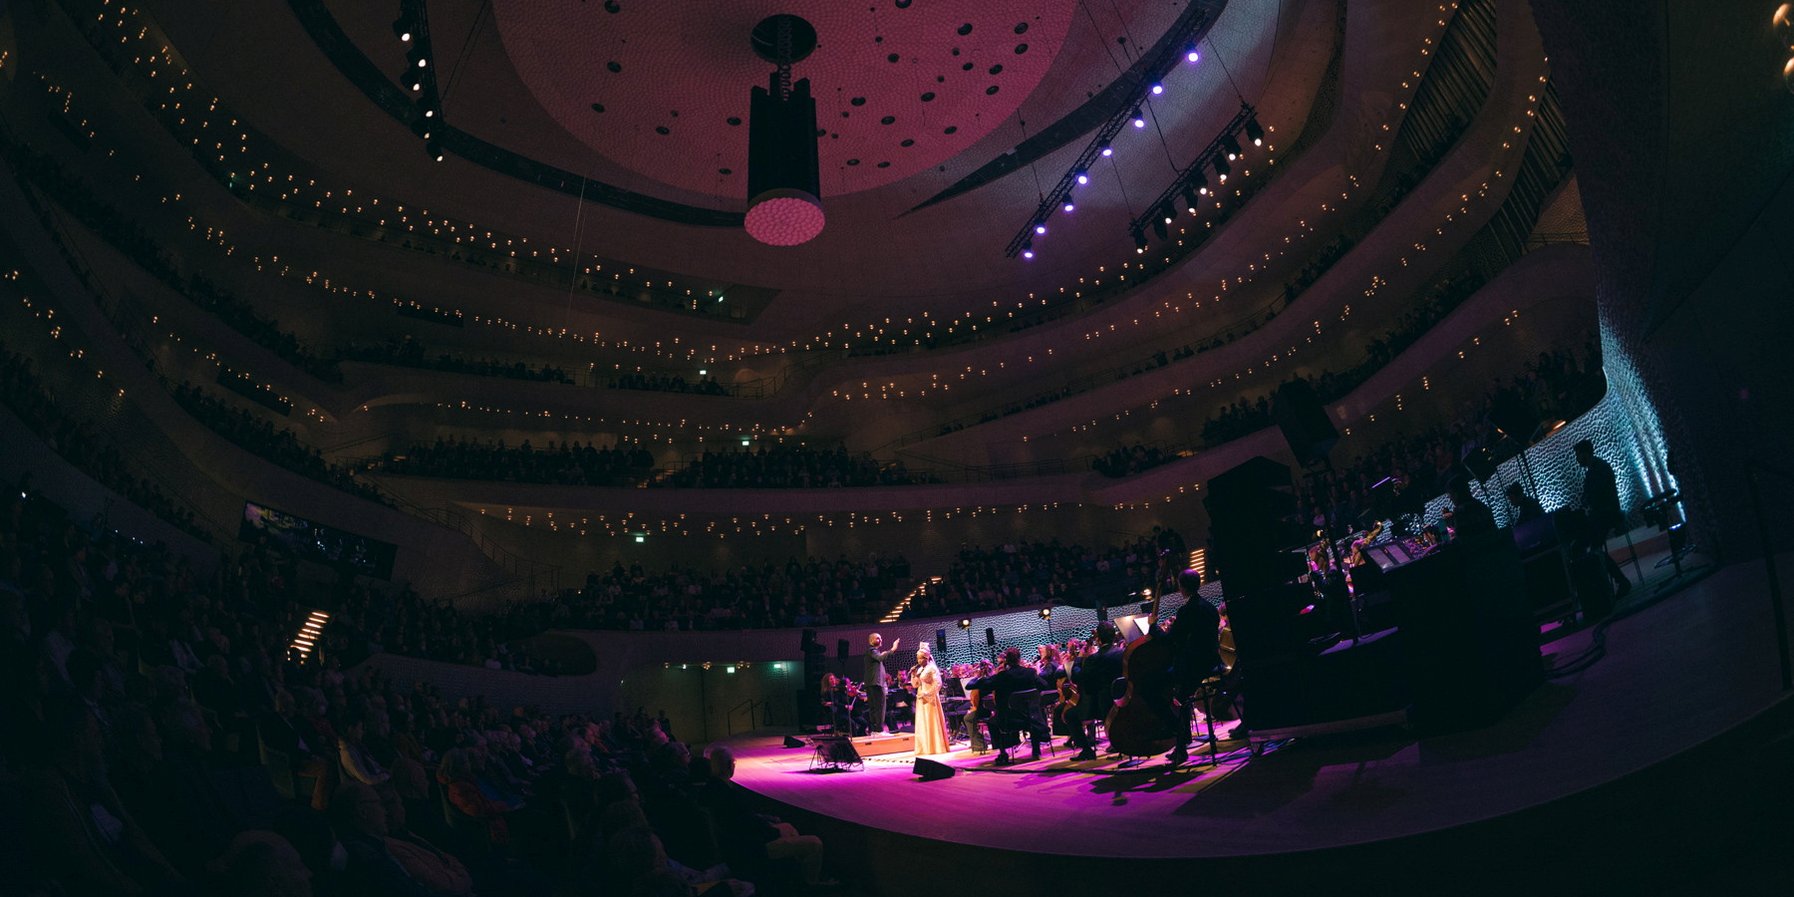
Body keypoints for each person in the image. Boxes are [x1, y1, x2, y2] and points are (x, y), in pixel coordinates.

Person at [1161, 569, 1224, 765]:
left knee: (1169, 692)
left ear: (1182, 587)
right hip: (1213, 662)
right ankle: (1182, 741)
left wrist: (1155, 629)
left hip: (1196, 667)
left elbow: (1172, 639)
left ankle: (1181, 746)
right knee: (1178, 691)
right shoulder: (1209, 607)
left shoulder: (1187, 610)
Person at [1574, 439, 1632, 597]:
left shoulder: (1598, 470)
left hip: (1606, 515)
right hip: (1603, 514)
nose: (1577, 459)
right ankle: (1614, 582)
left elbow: (1595, 497)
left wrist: (1587, 504)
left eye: (1578, 455)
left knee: (1594, 550)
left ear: (1585, 453)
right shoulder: (1596, 468)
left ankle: (1620, 582)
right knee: (1592, 547)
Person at [984, 646, 1050, 765]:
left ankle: (1003, 753)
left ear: (1006, 661)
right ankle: (1036, 751)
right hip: (1033, 719)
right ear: (1019, 659)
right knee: (1034, 713)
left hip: (1011, 720)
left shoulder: (1003, 676)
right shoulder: (1030, 673)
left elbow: (984, 685)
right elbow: (1044, 685)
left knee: (992, 722)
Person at [1069, 622, 1125, 761]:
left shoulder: (1094, 659)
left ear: (1098, 639)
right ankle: (1119, 743)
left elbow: (1077, 677)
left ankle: (1087, 751)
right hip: (1124, 699)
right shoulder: (1123, 653)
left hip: (1101, 705)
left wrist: (1079, 658)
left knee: (1070, 715)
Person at [910, 642, 950, 755]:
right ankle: (925, 747)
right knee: (923, 721)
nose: (918, 661)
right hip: (920, 697)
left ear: (926, 658)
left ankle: (935, 746)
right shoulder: (919, 670)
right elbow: (915, 685)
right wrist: (913, 675)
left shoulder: (932, 668)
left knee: (931, 720)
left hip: (930, 698)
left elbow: (938, 683)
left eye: (920, 659)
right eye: (917, 659)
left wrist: (927, 694)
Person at [863, 632, 899, 734]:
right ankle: (878, 730)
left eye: (881, 638)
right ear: (871, 641)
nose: (880, 640)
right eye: (878, 638)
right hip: (876, 683)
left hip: (872, 683)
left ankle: (875, 729)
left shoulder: (873, 652)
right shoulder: (872, 650)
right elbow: (880, 658)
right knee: (880, 707)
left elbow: (879, 658)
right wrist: (893, 649)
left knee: (874, 707)